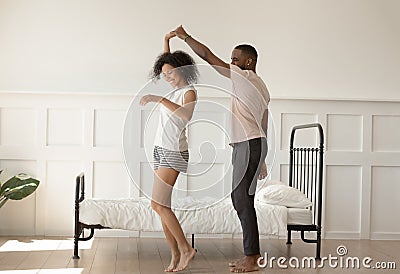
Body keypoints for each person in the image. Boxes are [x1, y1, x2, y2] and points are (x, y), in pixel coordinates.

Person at [172, 25, 270, 273]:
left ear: (249, 62)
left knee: (240, 198)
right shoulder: (261, 85)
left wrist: (184, 37)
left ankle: (253, 256)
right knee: (243, 199)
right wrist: (263, 159)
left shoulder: (243, 76)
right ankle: (252, 254)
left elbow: (207, 55)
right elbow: (264, 121)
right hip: (253, 144)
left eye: (236, 59)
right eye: (231, 60)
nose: (231, 63)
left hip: (248, 145)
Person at [139, 31, 198, 272]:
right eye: (164, 75)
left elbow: (185, 115)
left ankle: (185, 248)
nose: (168, 78)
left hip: (174, 152)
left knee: (158, 205)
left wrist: (157, 99)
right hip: (162, 150)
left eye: (171, 73)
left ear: (182, 70)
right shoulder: (174, 91)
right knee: (162, 205)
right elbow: (167, 58)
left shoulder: (189, 92)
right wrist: (166, 40)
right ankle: (175, 254)